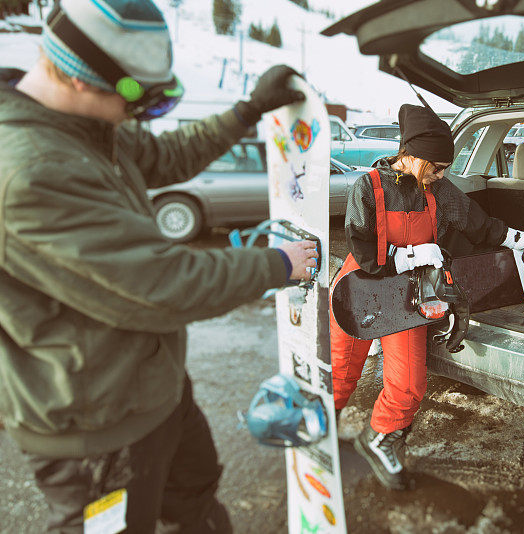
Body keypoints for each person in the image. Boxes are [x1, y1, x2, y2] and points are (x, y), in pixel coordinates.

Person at [0, 0, 317, 531]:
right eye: (137, 102)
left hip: (152, 390)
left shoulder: (85, 124)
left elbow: (167, 156)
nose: (137, 117)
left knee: (193, 495)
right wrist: (276, 264)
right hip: (95, 425)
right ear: (83, 80)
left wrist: (246, 111)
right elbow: (163, 284)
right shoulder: (34, 171)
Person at [331, 104, 524, 490]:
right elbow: (362, 248)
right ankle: (320, 429)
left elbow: (475, 222)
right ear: (409, 155)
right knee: (340, 368)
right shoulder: (369, 186)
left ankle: (380, 439)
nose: (441, 175)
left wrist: (517, 238)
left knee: (408, 381)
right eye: (436, 166)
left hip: (408, 296)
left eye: (444, 167)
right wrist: (408, 254)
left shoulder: (439, 190)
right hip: (357, 290)